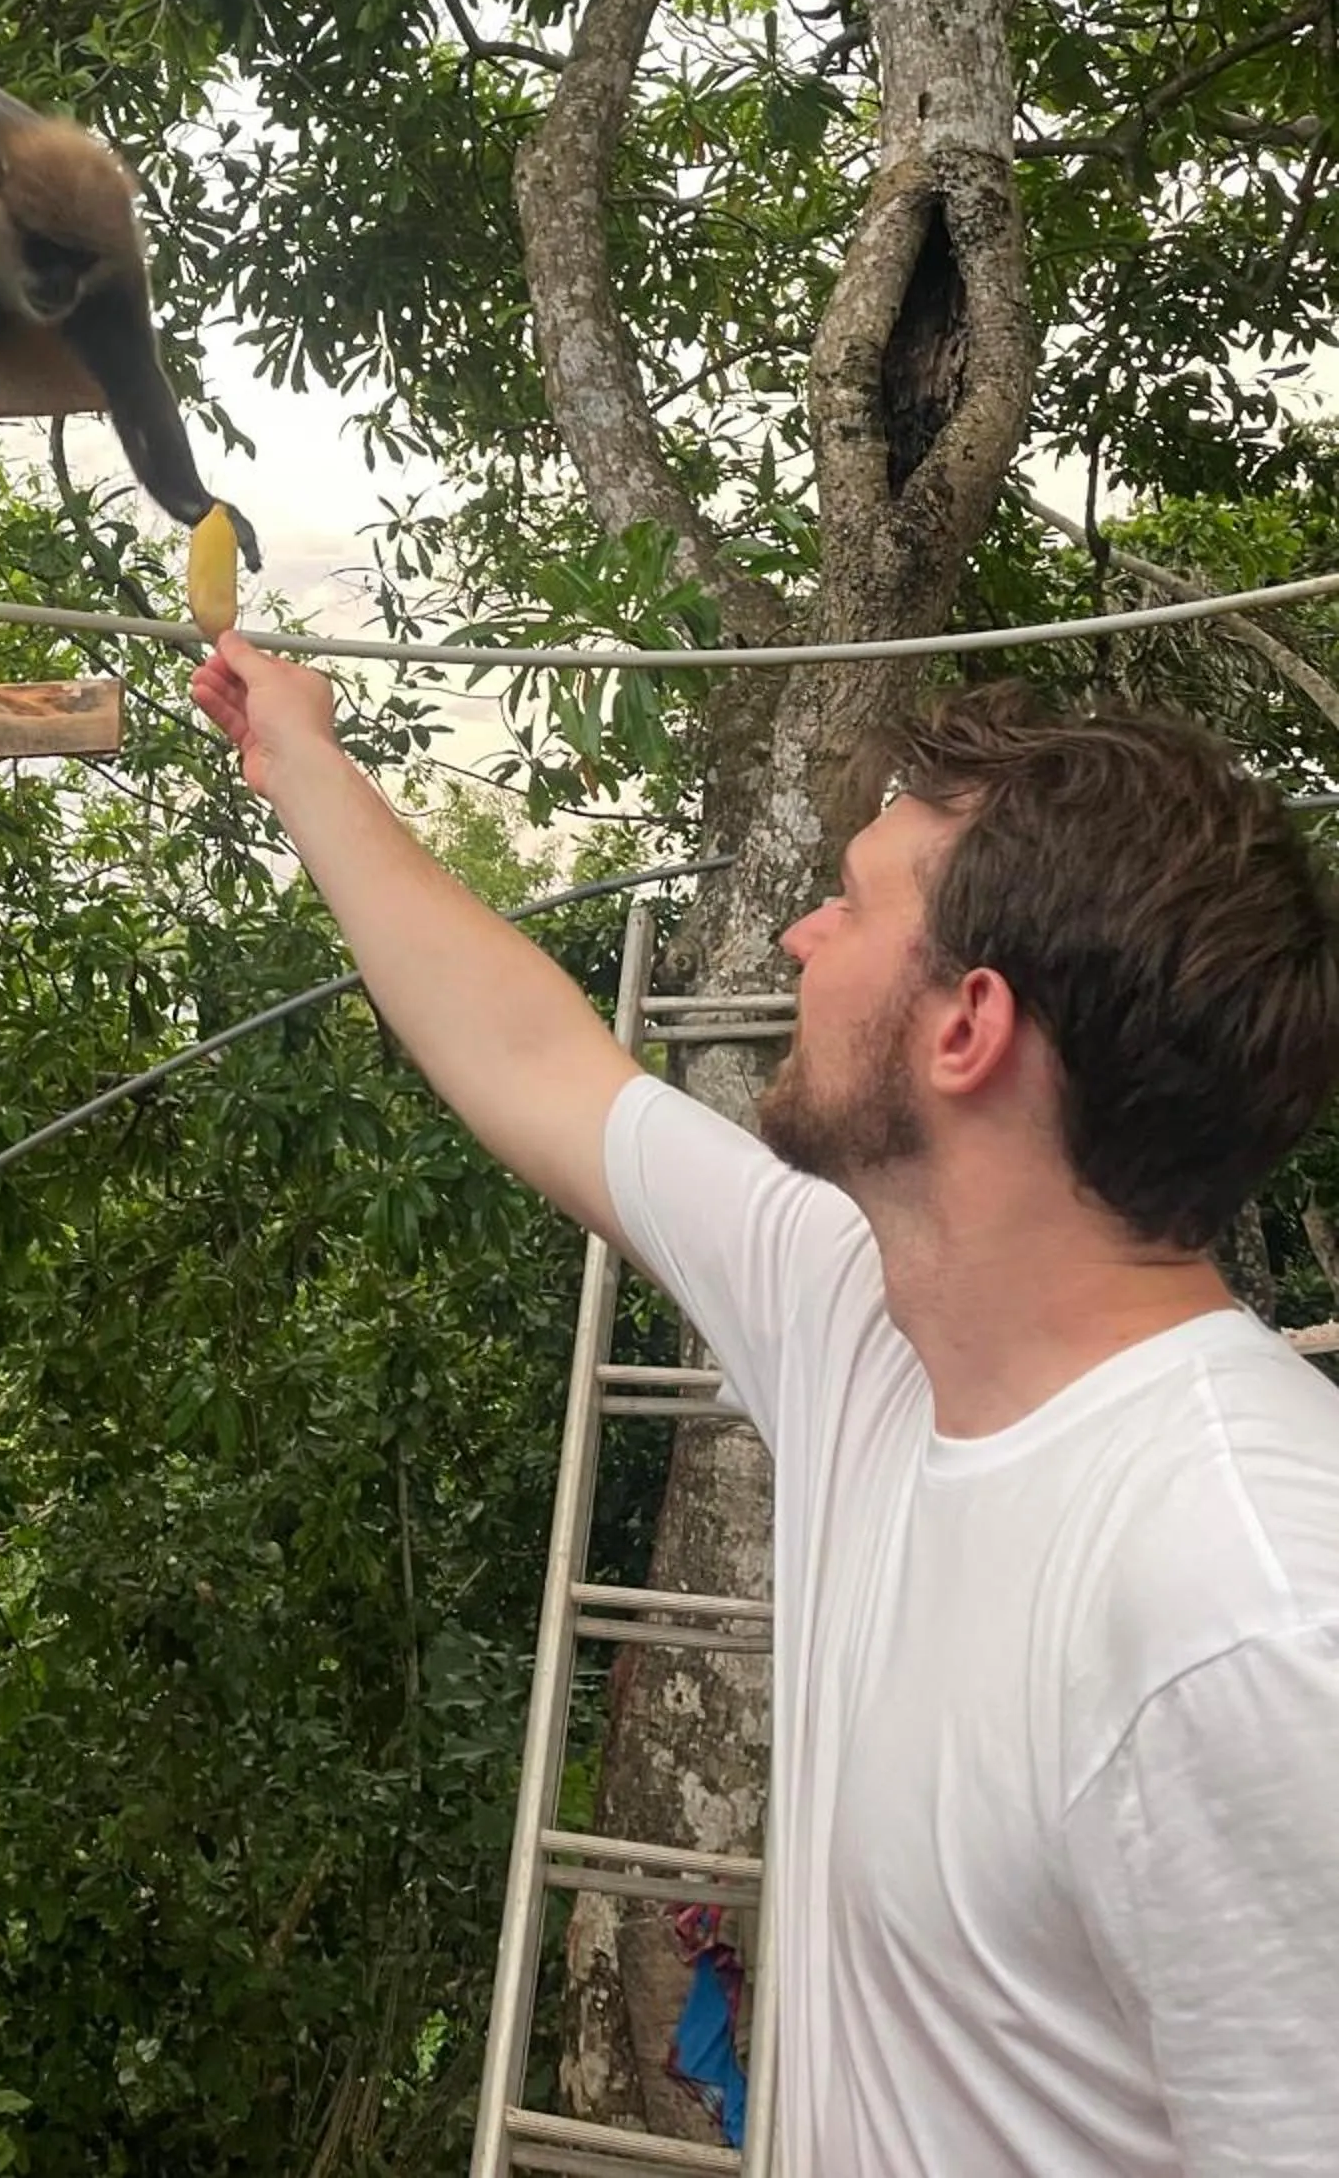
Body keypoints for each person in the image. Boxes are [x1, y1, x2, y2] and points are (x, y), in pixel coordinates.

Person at [189, 634, 1339, 2178]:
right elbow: (538, 1063)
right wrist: (304, 767)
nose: (803, 937)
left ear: (964, 1028)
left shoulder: (1242, 1612)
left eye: (854, 903)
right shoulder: (870, 1325)